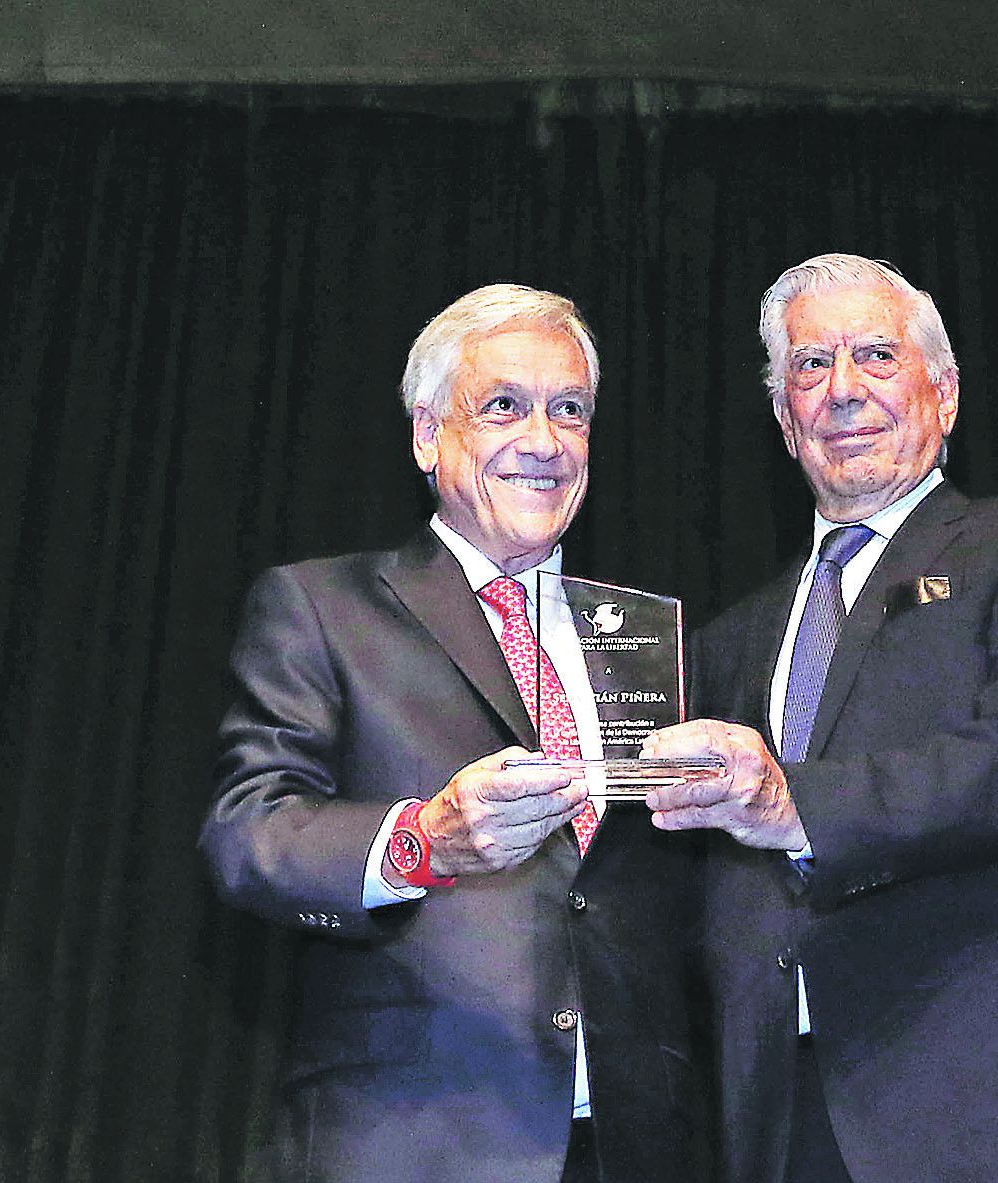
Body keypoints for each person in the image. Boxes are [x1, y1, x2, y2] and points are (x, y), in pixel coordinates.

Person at [643, 254, 998, 1182]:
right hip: (788, 1117)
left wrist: (795, 803)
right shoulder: (719, 645)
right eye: (810, 367)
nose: (843, 389)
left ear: (943, 394)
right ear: (785, 420)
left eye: (875, 354)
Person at [201, 284, 708, 1183]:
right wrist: (420, 840)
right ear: (428, 434)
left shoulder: (642, 641)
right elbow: (247, 836)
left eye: (570, 411)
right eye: (503, 406)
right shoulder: (323, 608)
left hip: (634, 1144)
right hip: (415, 1140)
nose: (543, 441)